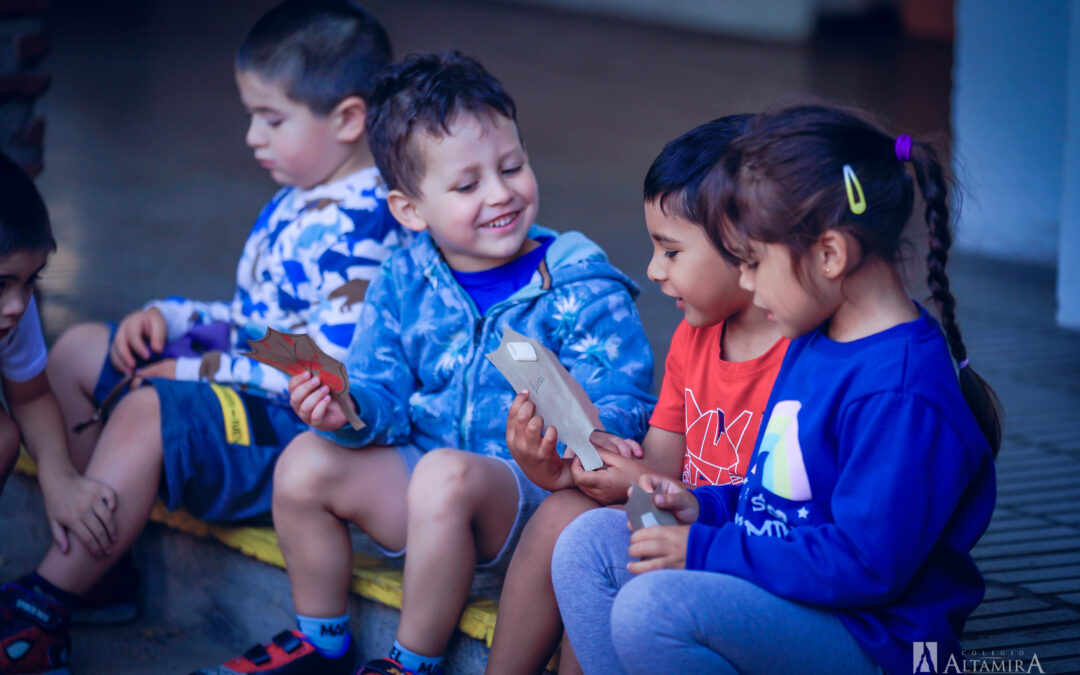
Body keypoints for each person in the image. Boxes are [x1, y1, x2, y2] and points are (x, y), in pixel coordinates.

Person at [201, 51, 656, 675]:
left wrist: (565, 438)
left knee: (444, 474)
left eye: (512, 167)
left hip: (526, 504)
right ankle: (321, 642)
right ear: (410, 210)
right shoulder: (406, 274)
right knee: (305, 461)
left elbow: (626, 415)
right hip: (428, 499)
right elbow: (380, 392)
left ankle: (409, 663)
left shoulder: (580, 281)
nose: (500, 194)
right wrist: (344, 408)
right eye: (468, 185)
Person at [0, 2, 399, 672]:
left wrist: (189, 372)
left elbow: (322, 374)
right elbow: (260, 325)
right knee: (74, 355)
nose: (252, 136)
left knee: (148, 405)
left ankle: (43, 605)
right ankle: (103, 568)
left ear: (350, 119)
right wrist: (173, 321)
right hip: (250, 388)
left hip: (292, 431)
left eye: (271, 118)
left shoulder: (367, 228)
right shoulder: (302, 197)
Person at [551, 103, 1002, 675]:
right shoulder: (817, 341)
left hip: (880, 641)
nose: (743, 281)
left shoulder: (901, 392)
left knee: (654, 608)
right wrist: (705, 505)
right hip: (792, 592)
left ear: (830, 254)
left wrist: (703, 548)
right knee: (588, 544)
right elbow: (782, 503)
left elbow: (866, 565)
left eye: (754, 261)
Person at [485, 115, 788, 674]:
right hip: (681, 533)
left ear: (745, 245)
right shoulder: (693, 339)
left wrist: (640, 486)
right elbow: (657, 472)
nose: (652, 271)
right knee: (567, 513)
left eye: (671, 252)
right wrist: (562, 470)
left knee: (603, 547)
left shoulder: (804, 356)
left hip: (747, 562)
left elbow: (780, 521)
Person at [0, 152, 123, 674]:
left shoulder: (13, 313)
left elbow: (28, 396)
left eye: (30, 282)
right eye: (1, 283)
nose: (18, 305)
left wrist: (58, 475)